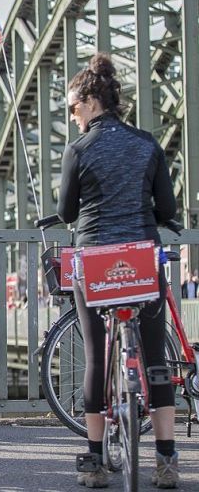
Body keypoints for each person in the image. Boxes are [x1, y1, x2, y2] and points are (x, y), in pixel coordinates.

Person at [57, 52, 179, 489]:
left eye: (72, 108)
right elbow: (167, 208)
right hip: (142, 257)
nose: (71, 117)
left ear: (90, 102)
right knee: (154, 358)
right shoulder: (147, 144)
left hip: (95, 261)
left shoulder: (79, 149)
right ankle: (166, 460)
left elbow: (67, 209)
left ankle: (93, 461)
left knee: (96, 356)